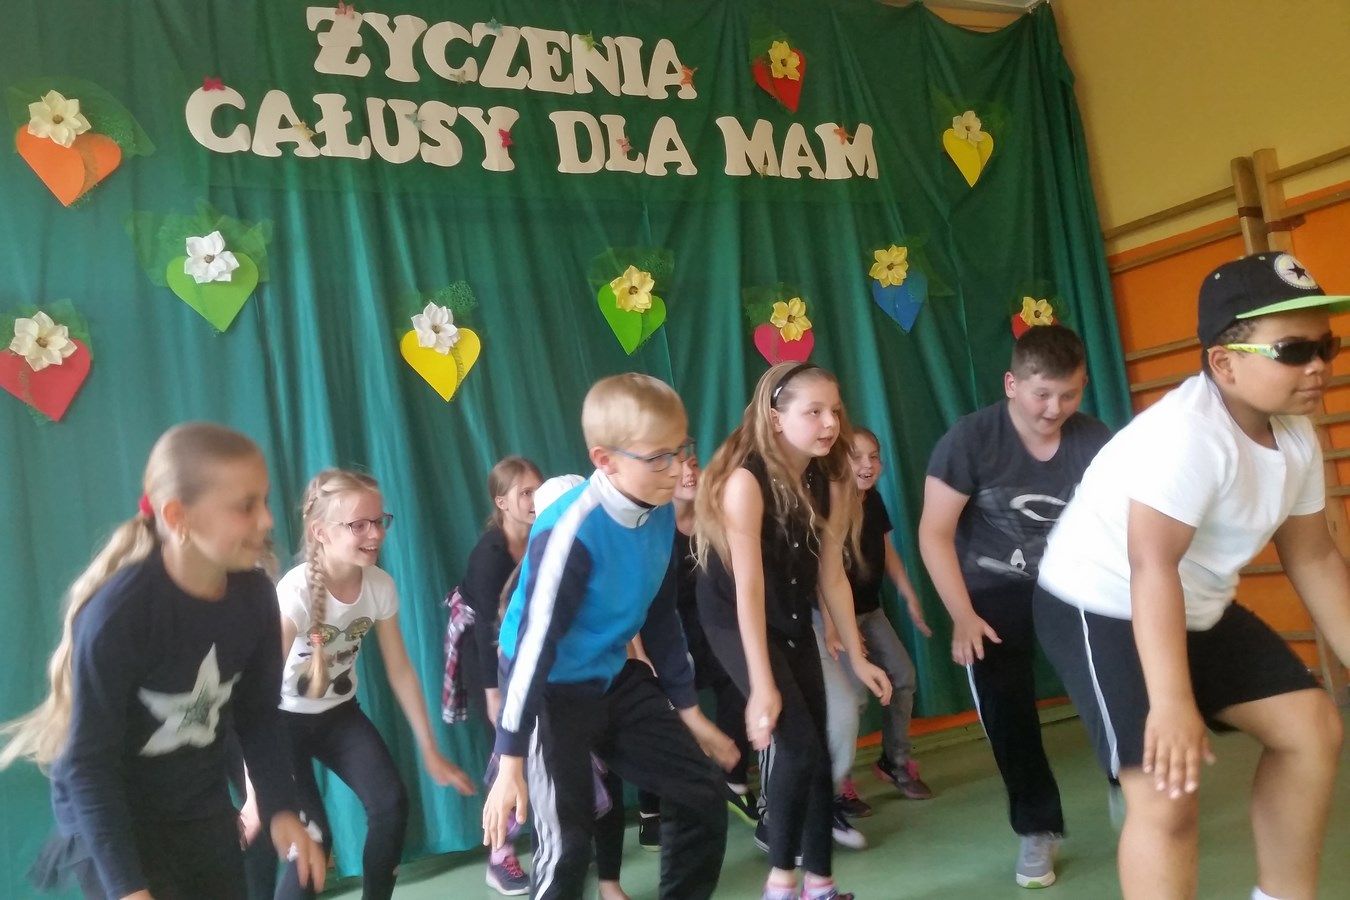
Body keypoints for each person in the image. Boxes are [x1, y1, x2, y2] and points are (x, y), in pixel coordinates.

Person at [1035, 252, 1350, 900]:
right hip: (1100, 601)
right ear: (1224, 364)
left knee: (1311, 730)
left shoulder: (1296, 437)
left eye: (1327, 346)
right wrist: (1173, 703)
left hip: (1190, 599)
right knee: (1168, 792)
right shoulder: (1186, 435)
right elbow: (1150, 565)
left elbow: (1315, 558)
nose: (1318, 365)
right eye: (1293, 350)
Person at [0, 422, 325, 899]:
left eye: (265, 501)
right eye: (245, 506)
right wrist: (128, 888)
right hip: (120, 824)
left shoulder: (255, 596)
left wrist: (279, 807)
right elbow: (88, 766)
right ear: (178, 517)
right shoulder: (120, 615)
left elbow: (258, 717)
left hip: (198, 807)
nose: (267, 520)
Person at [483, 374, 738, 900]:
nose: (678, 468)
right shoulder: (571, 531)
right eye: (658, 457)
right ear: (605, 460)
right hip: (547, 690)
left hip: (607, 673)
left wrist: (691, 713)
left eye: (681, 449)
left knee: (701, 790)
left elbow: (660, 615)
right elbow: (532, 647)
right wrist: (511, 761)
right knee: (568, 848)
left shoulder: (658, 511)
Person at [918, 325, 1111, 888]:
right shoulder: (970, 440)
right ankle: (1037, 827)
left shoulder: (1094, 439)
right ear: (1011, 384)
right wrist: (962, 616)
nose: (1054, 408)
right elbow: (934, 533)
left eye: (1069, 395)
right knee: (1008, 709)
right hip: (991, 591)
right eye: (1041, 393)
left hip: (1072, 582)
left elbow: (1118, 522)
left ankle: (1132, 786)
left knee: (1116, 683)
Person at [696, 362, 892, 900]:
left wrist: (858, 655)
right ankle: (781, 884)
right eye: (814, 411)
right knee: (799, 748)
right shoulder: (746, 482)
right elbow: (748, 589)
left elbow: (831, 575)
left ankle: (820, 885)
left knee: (818, 753)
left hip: (788, 614)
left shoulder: (830, 478)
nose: (830, 423)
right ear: (777, 418)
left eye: (835, 411)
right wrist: (762, 685)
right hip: (735, 616)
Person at [273, 468, 475, 900]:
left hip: (339, 716)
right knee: (313, 840)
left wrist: (429, 747)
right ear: (321, 532)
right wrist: (257, 780)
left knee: (390, 804)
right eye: (358, 524)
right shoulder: (296, 592)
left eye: (379, 521)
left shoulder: (380, 586)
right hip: (281, 724)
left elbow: (399, 669)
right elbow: (258, 686)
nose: (375, 533)